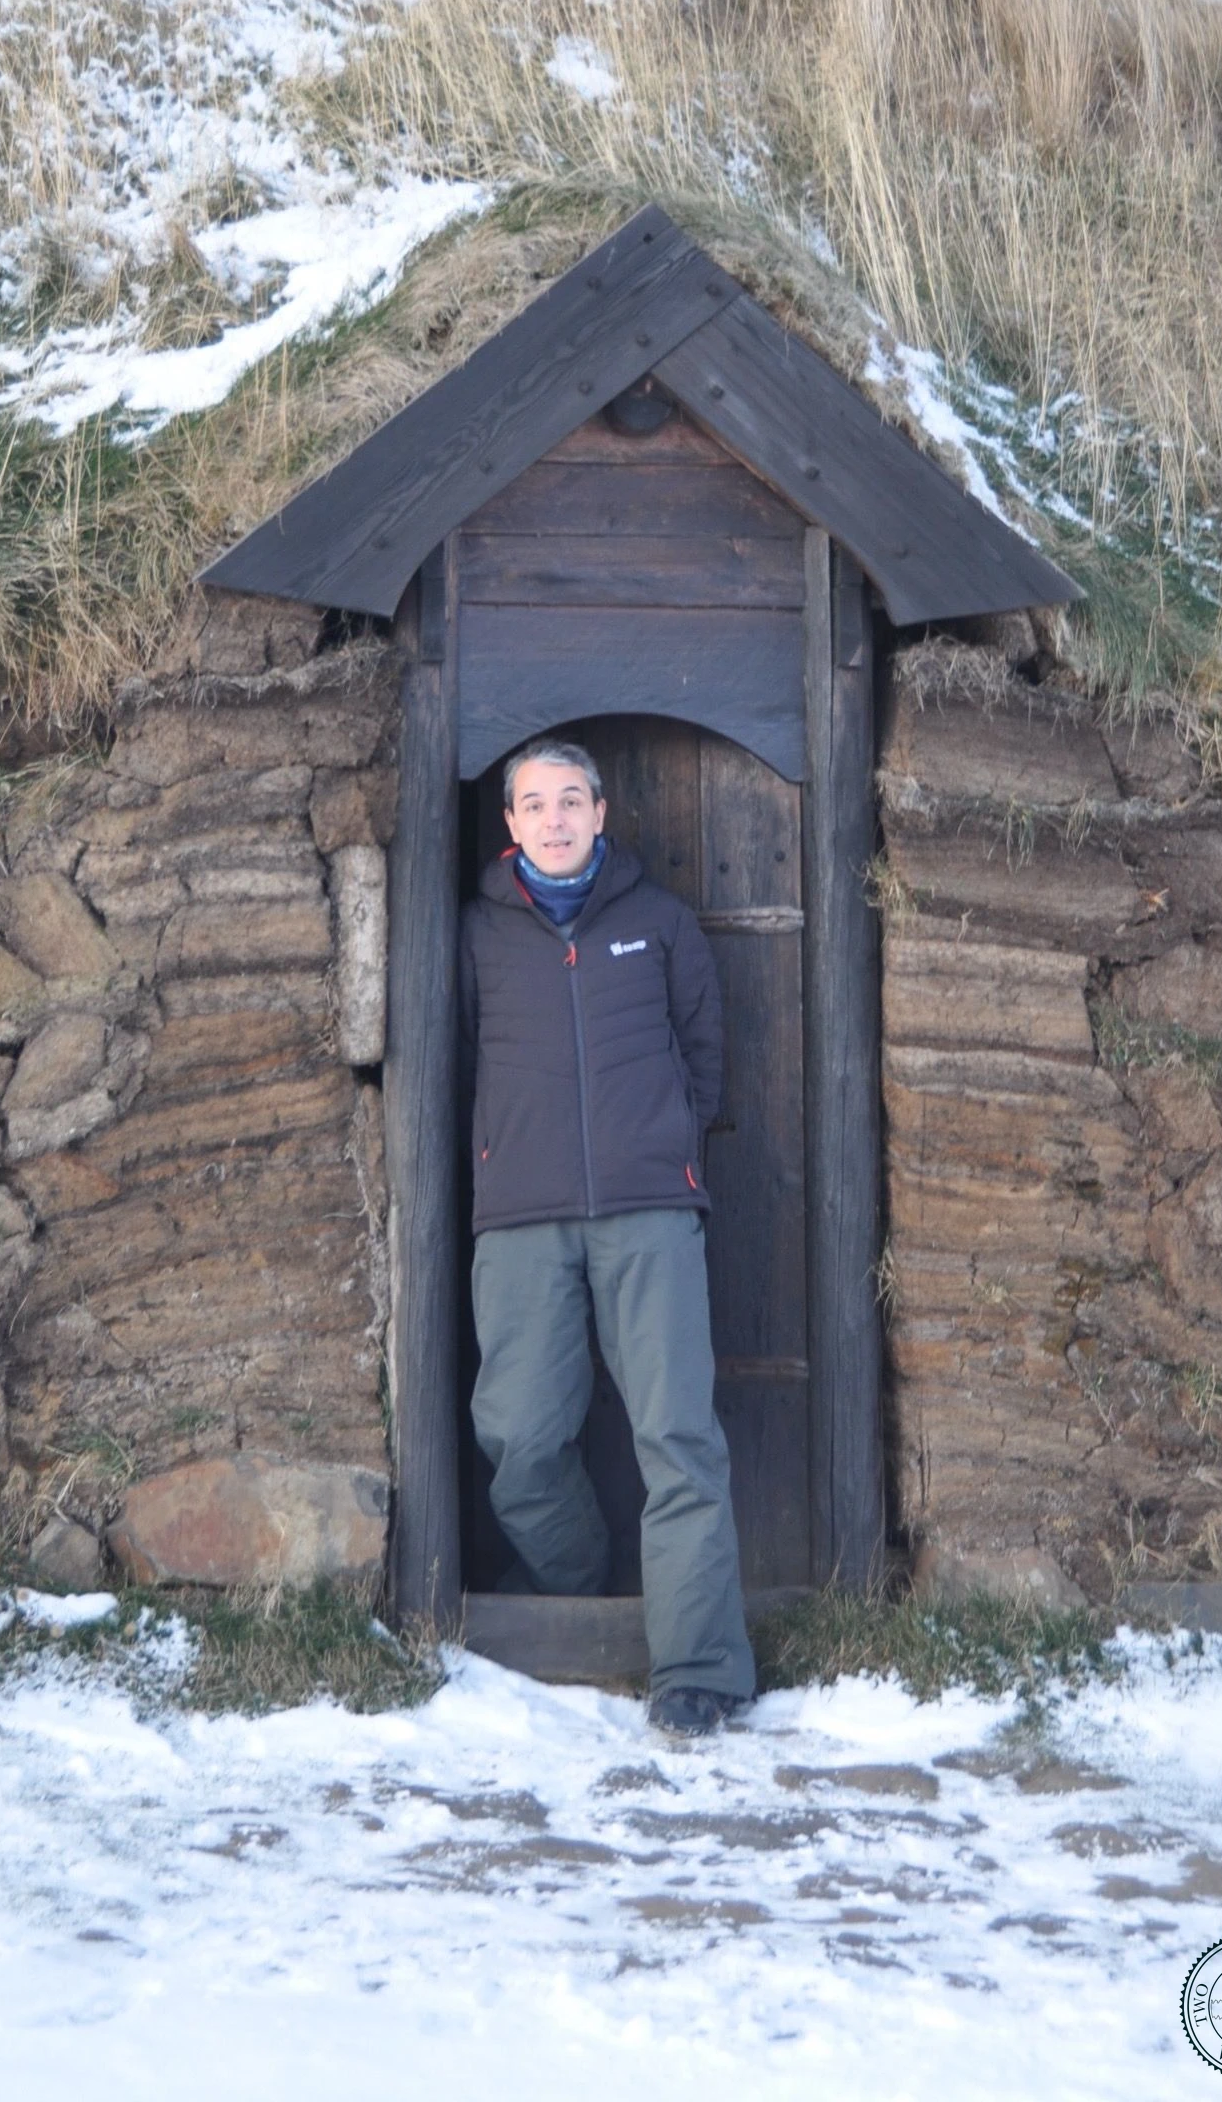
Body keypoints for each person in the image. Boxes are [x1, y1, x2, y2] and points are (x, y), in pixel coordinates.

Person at [458, 738, 757, 1735]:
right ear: (508, 823)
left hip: (648, 1214)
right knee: (520, 1437)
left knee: (676, 1437)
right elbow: (453, 1064)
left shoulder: (661, 923)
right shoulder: (474, 934)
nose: (553, 820)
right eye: (534, 804)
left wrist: (664, 1146)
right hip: (521, 1220)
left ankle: (697, 1673)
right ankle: (579, 1594)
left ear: (600, 813)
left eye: (571, 801)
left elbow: (705, 1060)